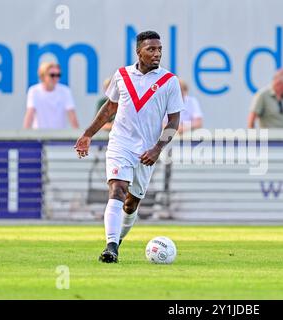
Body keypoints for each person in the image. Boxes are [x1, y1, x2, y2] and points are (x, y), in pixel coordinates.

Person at [74, 31, 183, 263]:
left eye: (159, 49)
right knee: (117, 189)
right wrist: (87, 134)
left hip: (147, 151)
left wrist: (157, 149)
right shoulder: (122, 75)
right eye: (151, 49)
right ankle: (110, 246)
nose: (157, 54)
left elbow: (174, 122)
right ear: (138, 52)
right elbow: (109, 108)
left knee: (131, 203)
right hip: (120, 143)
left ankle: (117, 240)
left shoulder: (169, 81)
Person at [23, 62, 79, 129]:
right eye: (52, 75)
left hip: (59, 136)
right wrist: (25, 136)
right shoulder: (34, 91)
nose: (55, 78)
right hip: (39, 136)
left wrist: (78, 136)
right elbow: (30, 114)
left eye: (58, 75)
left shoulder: (65, 91)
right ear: (43, 75)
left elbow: (72, 115)